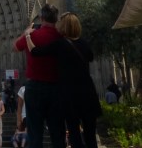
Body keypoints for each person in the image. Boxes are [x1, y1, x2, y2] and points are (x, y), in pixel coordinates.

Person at [26, 12, 102, 148]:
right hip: (88, 94)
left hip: (70, 96)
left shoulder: (60, 44)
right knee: (91, 137)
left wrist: (27, 35)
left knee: (74, 134)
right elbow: (90, 57)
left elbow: (35, 52)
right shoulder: (84, 44)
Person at [13, 4, 65, 148]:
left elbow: (15, 46)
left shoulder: (33, 35)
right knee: (58, 132)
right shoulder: (61, 37)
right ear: (56, 20)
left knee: (35, 134)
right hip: (56, 88)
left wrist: (26, 33)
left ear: (41, 18)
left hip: (35, 88)